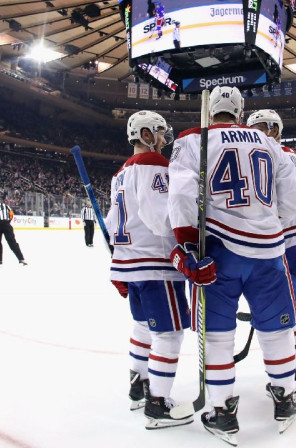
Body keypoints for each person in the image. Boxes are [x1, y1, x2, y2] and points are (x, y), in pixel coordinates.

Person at [169, 86, 296, 443]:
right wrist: (269, 219)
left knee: (217, 335)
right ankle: (285, 396)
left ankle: (221, 410)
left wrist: (187, 244)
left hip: (218, 252)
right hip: (268, 253)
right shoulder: (269, 144)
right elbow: (294, 199)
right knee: (275, 330)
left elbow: (181, 194)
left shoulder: (192, 140)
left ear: (211, 111)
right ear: (241, 112)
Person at [104, 110, 193, 429]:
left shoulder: (120, 173)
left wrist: (118, 266)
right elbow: (160, 216)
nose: (162, 138)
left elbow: (115, 222)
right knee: (169, 334)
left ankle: (138, 386)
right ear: (144, 135)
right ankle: (158, 403)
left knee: (143, 327)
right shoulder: (153, 164)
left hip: (131, 264)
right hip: (156, 265)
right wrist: (181, 251)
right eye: (157, 132)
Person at [247, 109, 296, 396]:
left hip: (285, 243)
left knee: (288, 310)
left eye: (259, 128)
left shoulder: (265, 156)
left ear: (274, 130)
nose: (254, 133)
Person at [0, 195, 27, 266]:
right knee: (12, 242)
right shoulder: (5, 205)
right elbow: (11, 214)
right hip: (6, 224)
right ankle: (21, 259)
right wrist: (8, 222)